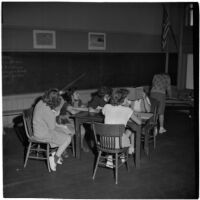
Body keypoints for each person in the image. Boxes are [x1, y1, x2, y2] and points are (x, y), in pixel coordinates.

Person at [33, 88, 74, 171]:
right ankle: (55, 158)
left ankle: (55, 152)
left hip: (40, 129)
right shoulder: (47, 110)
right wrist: (56, 113)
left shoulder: (41, 101)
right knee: (68, 137)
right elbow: (52, 127)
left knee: (66, 131)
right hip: (42, 133)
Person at [102, 88, 142, 168]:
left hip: (104, 142)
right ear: (123, 99)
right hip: (118, 143)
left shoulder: (106, 106)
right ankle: (122, 154)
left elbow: (104, 113)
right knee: (126, 134)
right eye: (127, 98)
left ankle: (110, 157)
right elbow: (139, 122)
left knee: (118, 134)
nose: (128, 99)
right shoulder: (127, 110)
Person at [57, 88, 89, 152]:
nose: (79, 95)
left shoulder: (78, 101)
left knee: (82, 131)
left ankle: (81, 145)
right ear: (71, 95)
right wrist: (81, 108)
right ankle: (63, 149)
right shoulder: (65, 102)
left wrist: (79, 108)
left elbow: (85, 108)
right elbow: (73, 112)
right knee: (72, 132)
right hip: (63, 120)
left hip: (73, 120)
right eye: (76, 93)